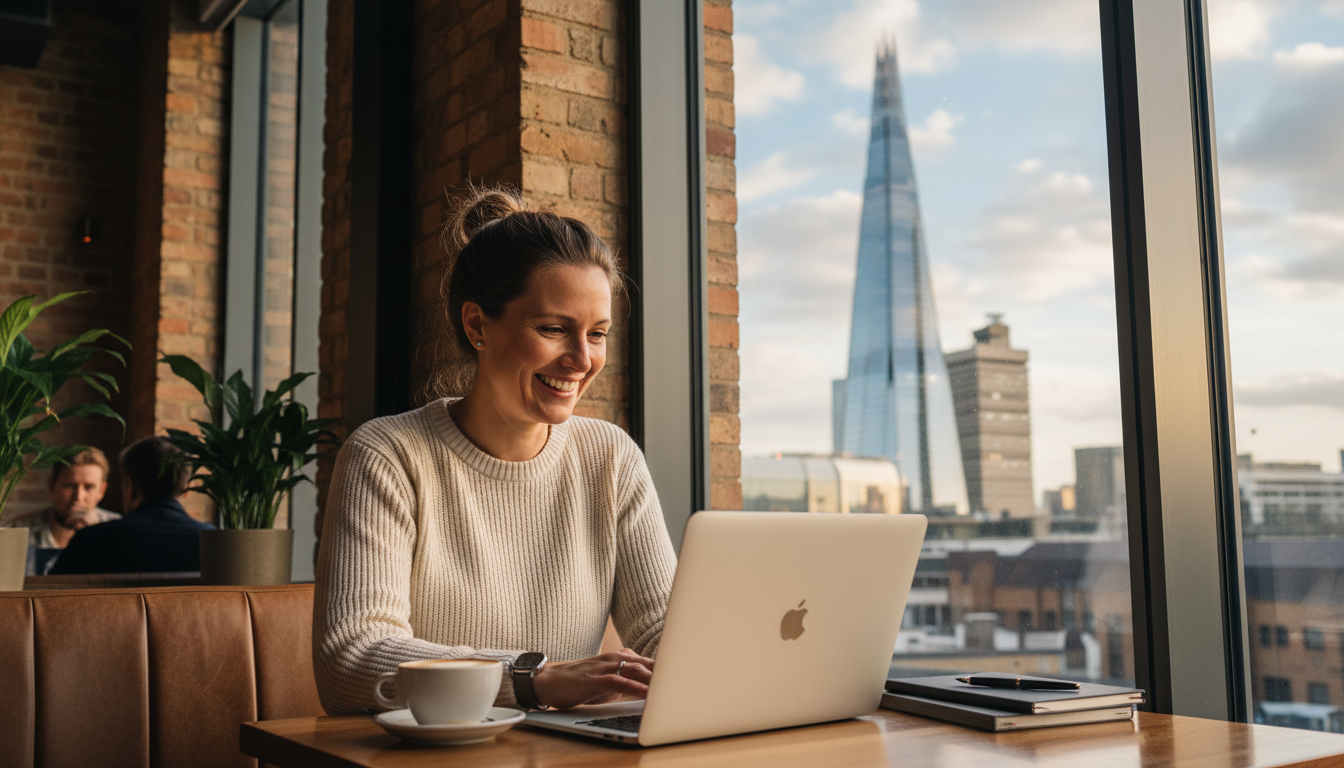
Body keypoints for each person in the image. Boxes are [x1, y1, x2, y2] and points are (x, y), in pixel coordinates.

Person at [314, 187, 677, 715]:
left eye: (597, 334)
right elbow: (352, 659)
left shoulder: (611, 458)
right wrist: (535, 680)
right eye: (554, 329)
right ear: (478, 324)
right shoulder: (388, 456)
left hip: (564, 755)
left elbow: (665, 626)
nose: (581, 359)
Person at [50, 436, 215, 574]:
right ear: (185, 489)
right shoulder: (213, 543)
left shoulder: (91, 541)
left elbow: (50, 601)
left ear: (130, 486)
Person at [0, 448, 120, 574]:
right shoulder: (16, 531)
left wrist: (94, 535)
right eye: (69, 486)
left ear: (102, 491)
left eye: (89, 487)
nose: (78, 497)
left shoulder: (118, 530)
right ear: (52, 486)